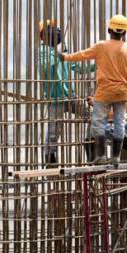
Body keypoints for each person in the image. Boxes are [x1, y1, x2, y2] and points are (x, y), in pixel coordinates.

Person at [59, 15, 127, 164]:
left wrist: (65, 58)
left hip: (104, 93)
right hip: (122, 93)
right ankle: (115, 157)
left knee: (98, 123)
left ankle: (101, 156)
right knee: (119, 124)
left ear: (109, 30)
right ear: (124, 32)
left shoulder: (101, 46)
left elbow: (82, 55)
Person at [38, 20, 93, 165]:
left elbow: (79, 68)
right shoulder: (42, 51)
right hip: (55, 99)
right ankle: (50, 161)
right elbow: (44, 66)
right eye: (52, 30)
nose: (56, 32)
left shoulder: (62, 52)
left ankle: (91, 145)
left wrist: (97, 64)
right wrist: (58, 56)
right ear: (43, 36)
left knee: (92, 117)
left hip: (70, 96)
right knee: (53, 133)